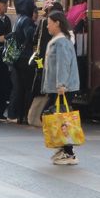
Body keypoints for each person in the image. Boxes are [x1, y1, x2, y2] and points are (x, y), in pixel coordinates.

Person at [42, 10, 80, 165]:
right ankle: (63, 148)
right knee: (57, 118)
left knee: (60, 119)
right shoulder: (58, 39)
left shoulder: (62, 42)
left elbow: (63, 64)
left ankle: (69, 152)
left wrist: (61, 85)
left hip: (62, 88)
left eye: (49, 23)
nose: (47, 27)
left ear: (57, 23)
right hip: (58, 87)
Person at [7, 0, 37, 124]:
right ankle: (23, 114)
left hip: (17, 59)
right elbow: (31, 36)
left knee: (18, 88)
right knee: (26, 88)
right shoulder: (27, 21)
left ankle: (15, 114)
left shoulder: (19, 19)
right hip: (25, 59)